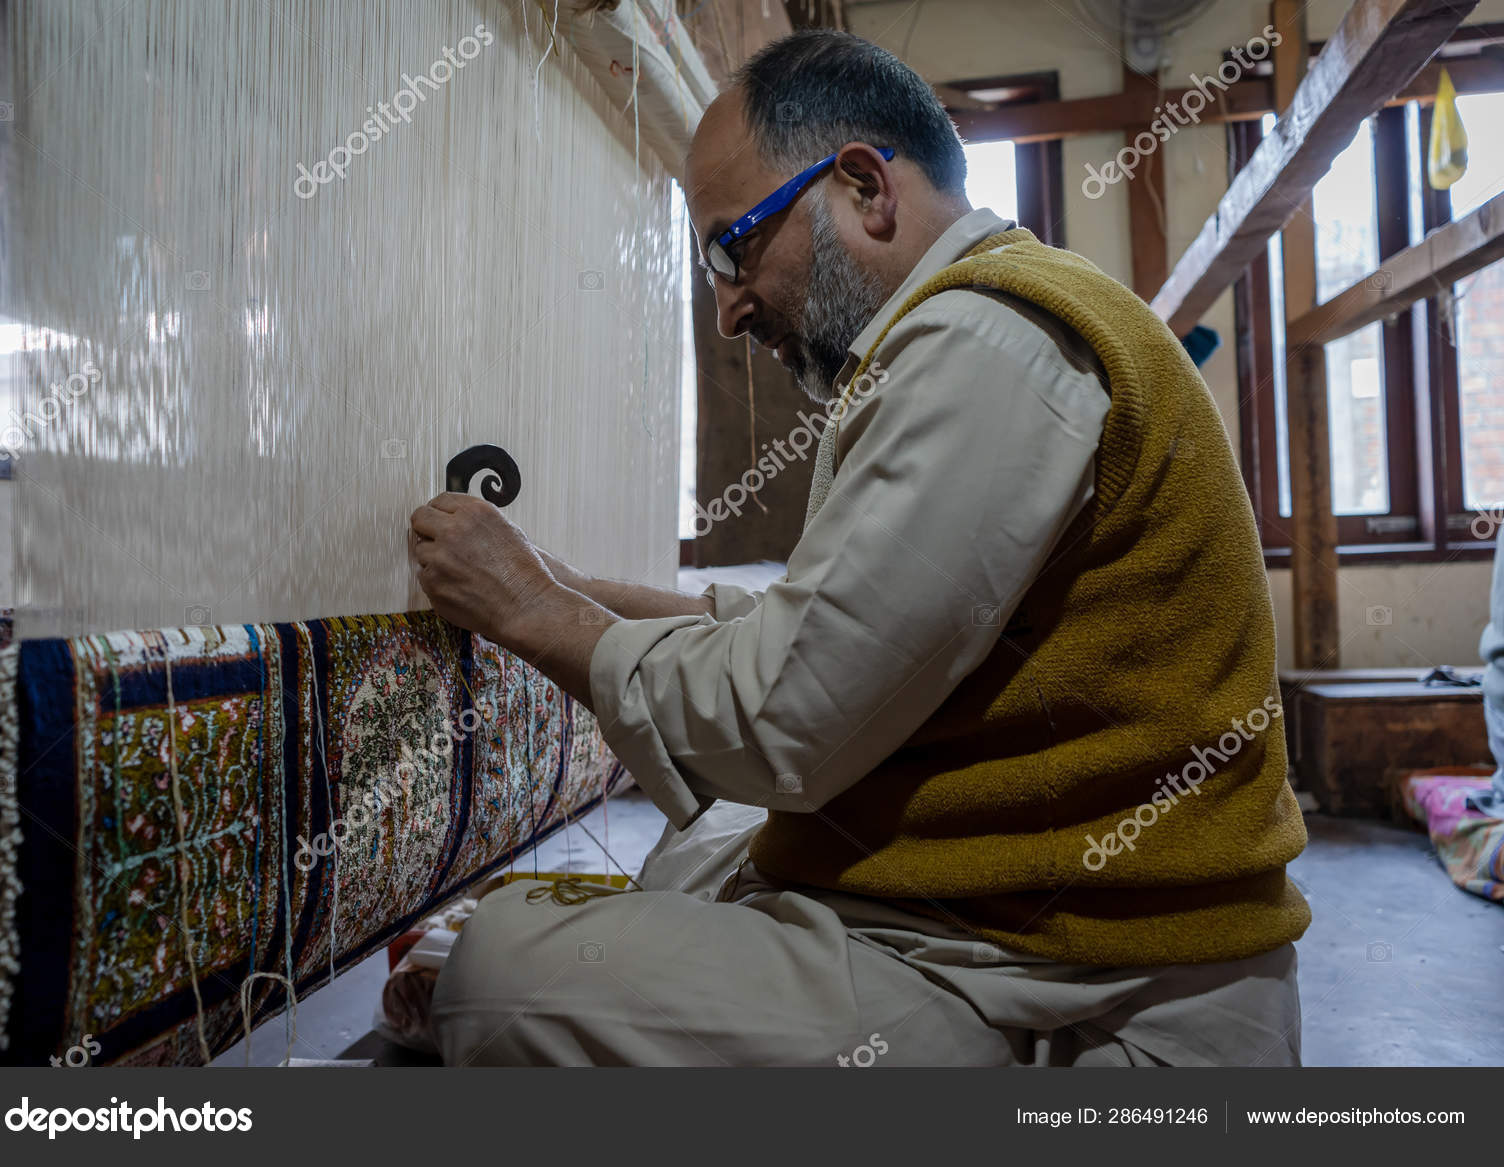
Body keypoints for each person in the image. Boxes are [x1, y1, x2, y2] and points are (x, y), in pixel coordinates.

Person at [407, 29, 1309, 1066]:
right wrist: (557, 582)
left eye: (730, 250)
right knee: (699, 852)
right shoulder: (985, 329)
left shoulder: (983, 343)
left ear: (863, 188)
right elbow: (829, 628)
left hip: (1078, 998)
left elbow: (783, 717)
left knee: (497, 972)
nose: (729, 308)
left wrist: (528, 613)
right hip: (1029, 947)